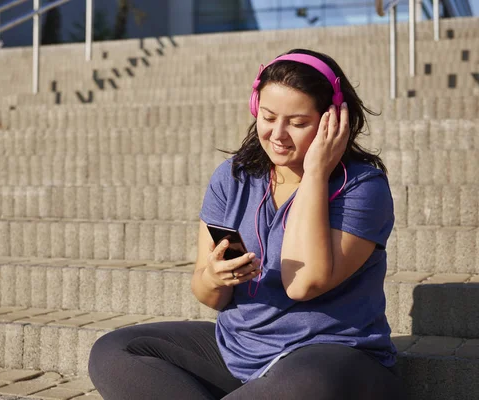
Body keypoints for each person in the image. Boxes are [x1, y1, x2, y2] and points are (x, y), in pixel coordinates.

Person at [88, 48, 405, 400]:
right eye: (269, 117)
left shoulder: (362, 187)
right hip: (239, 354)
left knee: (306, 385)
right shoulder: (233, 178)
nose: (278, 135)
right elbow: (210, 295)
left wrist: (315, 172)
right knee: (114, 351)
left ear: (332, 121)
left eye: (298, 123)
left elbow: (304, 284)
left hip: (329, 360)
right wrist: (214, 277)